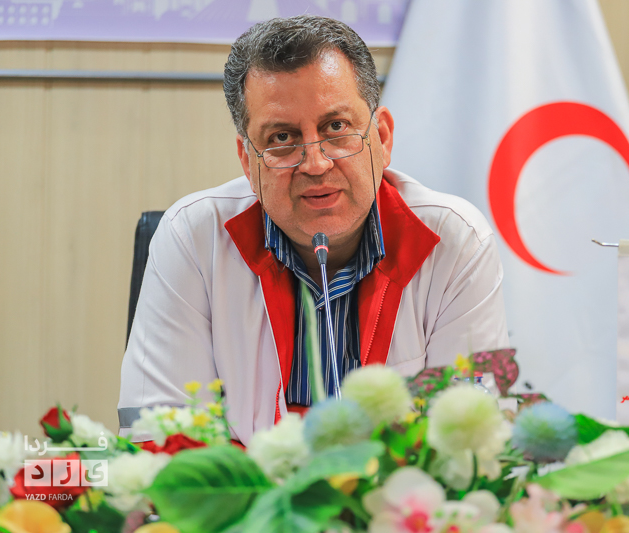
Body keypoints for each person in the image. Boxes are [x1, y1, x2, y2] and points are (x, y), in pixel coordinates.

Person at [118, 15, 509, 444]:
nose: (316, 164)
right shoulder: (192, 239)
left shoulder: (455, 242)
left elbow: (469, 441)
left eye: (336, 127)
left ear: (381, 137)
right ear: (248, 161)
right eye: (282, 137)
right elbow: (157, 435)